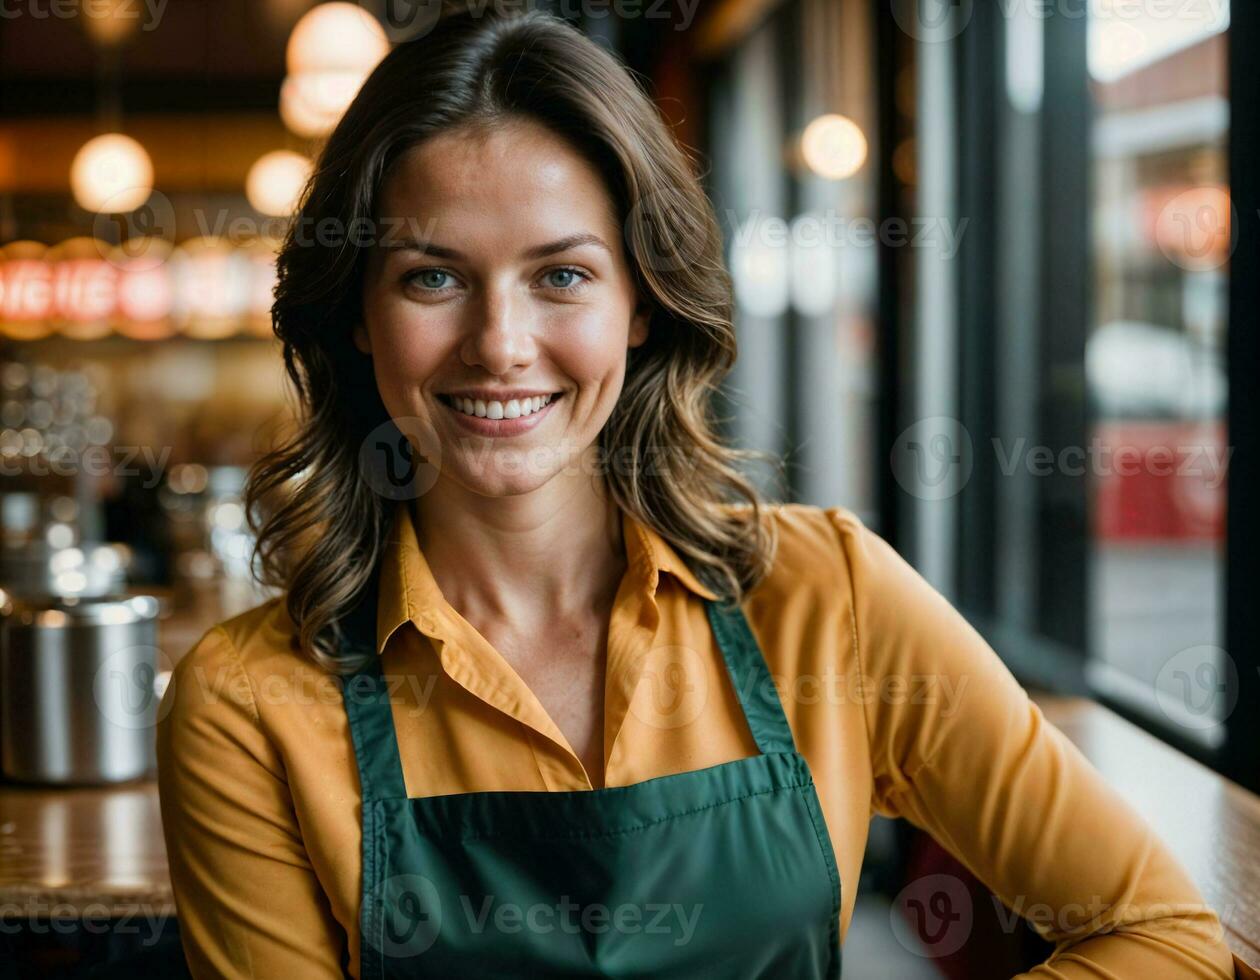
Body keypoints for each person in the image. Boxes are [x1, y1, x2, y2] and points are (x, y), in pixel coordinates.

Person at [155, 5, 1235, 978]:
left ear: (640, 302)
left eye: (562, 274)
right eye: (432, 276)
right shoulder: (248, 704)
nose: (501, 343)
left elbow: (1158, 931)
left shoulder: (828, 595)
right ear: (358, 313)